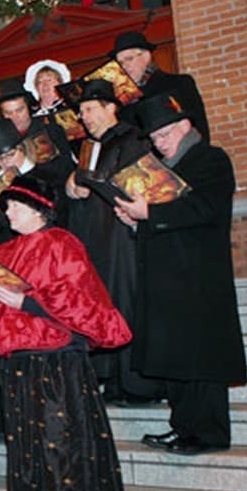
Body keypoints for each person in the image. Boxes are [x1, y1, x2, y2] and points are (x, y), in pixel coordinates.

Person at [0, 177, 131, 491]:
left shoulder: (62, 243)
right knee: (25, 443)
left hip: (57, 358)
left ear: (38, 209)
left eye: (15, 206)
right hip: (18, 361)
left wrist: (29, 303)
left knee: (60, 440)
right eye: (5, 207)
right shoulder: (3, 252)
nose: (8, 213)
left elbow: (79, 298)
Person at [114, 94, 246, 455]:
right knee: (176, 359)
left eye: (165, 134)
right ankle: (183, 427)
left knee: (201, 360)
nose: (159, 143)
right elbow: (160, 218)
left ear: (186, 125)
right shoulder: (161, 169)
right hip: (167, 280)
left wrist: (150, 213)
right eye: (154, 139)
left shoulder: (210, 159)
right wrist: (135, 221)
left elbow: (204, 208)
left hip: (198, 277)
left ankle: (208, 433)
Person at [65, 78, 165, 404]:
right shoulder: (87, 149)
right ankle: (112, 381)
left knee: (127, 303)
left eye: (90, 109)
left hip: (122, 236)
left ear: (111, 108)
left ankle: (138, 386)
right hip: (95, 236)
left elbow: (139, 184)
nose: (85, 117)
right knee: (103, 305)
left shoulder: (132, 139)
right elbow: (75, 189)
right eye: (81, 112)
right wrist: (71, 185)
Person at [112, 31, 211, 140]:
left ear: (146, 56)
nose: (125, 66)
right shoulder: (123, 99)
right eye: (120, 63)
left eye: (129, 59)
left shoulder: (179, 83)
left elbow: (199, 127)